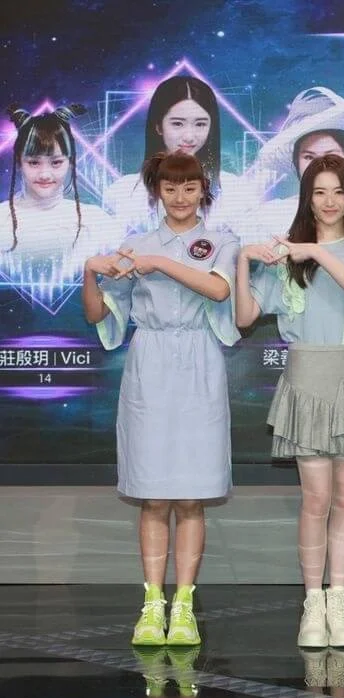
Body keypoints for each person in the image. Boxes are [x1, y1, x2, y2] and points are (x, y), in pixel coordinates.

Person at [81, 151, 239, 646]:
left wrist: (161, 264)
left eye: (189, 187)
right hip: (149, 363)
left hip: (198, 361)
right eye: (170, 188)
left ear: (203, 190)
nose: (180, 197)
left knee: (190, 496)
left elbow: (218, 291)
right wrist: (90, 272)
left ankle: (184, 605)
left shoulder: (222, 241)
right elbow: (100, 314)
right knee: (153, 496)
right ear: (157, 191)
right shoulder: (136, 245)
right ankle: (152, 605)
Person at [235, 154, 344, 648]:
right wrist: (242, 262)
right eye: (319, 191)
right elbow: (244, 317)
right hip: (305, 376)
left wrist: (316, 252)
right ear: (307, 197)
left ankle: (338, 601)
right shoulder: (288, 254)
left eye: (338, 191)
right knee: (316, 498)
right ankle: (312, 603)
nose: (329, 201)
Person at [102, 75, 255, 236]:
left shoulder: (234, 190)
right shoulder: (124, 192)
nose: (189, 136)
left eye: (200, 124)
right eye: (177, 123)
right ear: (158, 126)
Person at [244, 86, 344, 244]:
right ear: (296, 164)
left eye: (331, 155)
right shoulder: (269, 219)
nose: (321, 167)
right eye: (309, 157)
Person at [1, 103, 115, 305]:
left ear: (70, 162)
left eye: (56, 162)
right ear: (19, 161)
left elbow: (118, 292)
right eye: (34, 162)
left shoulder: (97, 222)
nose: (45, 174)